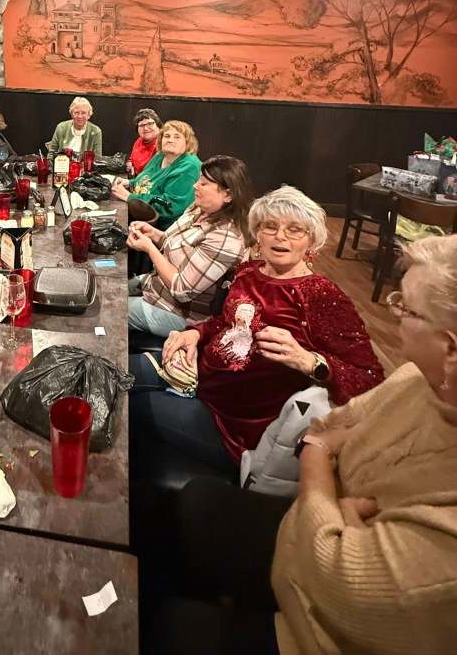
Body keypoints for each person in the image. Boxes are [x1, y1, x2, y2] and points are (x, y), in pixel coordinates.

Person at [154, 231, 457, 655]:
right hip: (304, 528)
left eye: (404, 308)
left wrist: (318, 463)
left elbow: (341, 587)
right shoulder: (416, 380)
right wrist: (336, 505)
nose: (394, 315)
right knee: (184, 506)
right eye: (268, 226)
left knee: (168, 626)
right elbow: (330, 425)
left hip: (310, 630)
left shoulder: (321, 295)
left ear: (450, 349)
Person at [129, 185, 383, 476]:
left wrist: (311, 362)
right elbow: (226, 322)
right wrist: (196, 333)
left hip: (231, 423)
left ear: (311, 240)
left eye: (294, 230)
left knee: (131, 406)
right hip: (195, 374)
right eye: (270, 226)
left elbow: (371, 380)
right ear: (258, 234)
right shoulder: (250, 271)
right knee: (119, 373)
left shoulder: (320, 295)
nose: (280, 236)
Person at [127, 156, 252, 337]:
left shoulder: (226, 238)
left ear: (228, 195)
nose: (195, 186)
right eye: (199, 180)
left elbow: (181, 289)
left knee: (115, 309)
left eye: (204, 183)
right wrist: (153, 233)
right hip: (154, 287)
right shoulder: (199, 209)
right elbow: (172, 245)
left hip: (178, 313)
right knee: (112, 289)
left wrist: (150, 249)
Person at [111, 120, 201, 229]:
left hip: (161, 228)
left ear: (187, 142)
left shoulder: (189, 167)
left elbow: (170, 207)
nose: (170, 140)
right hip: (139, 215)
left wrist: (130, 197)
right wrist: (130, 183)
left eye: (177, 137)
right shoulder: (161, 155)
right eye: (167, 136)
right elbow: (146, 179)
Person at [127, 108, 163, 176]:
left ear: (158, 125)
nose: (145, 128)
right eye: (141, 125)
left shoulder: (163, 144)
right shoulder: (139, 141)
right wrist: (130, 164)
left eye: (150, 124)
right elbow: (131, 159)